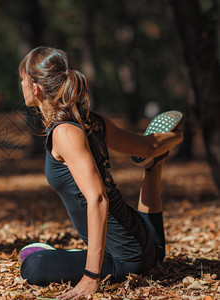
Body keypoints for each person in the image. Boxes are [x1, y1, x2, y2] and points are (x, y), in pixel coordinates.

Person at [17, 47, 183, 299]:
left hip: (127, 260)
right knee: (151, 159)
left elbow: (97, 198)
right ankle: (152, 167)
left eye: (22, 79)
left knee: (32, 264)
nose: (21, 85)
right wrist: (177, 136)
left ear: (35, 88)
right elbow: (149, 145)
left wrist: (91, 276)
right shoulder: (93, 121)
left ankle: (84, 260)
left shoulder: (64, 133)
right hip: (148, 244)